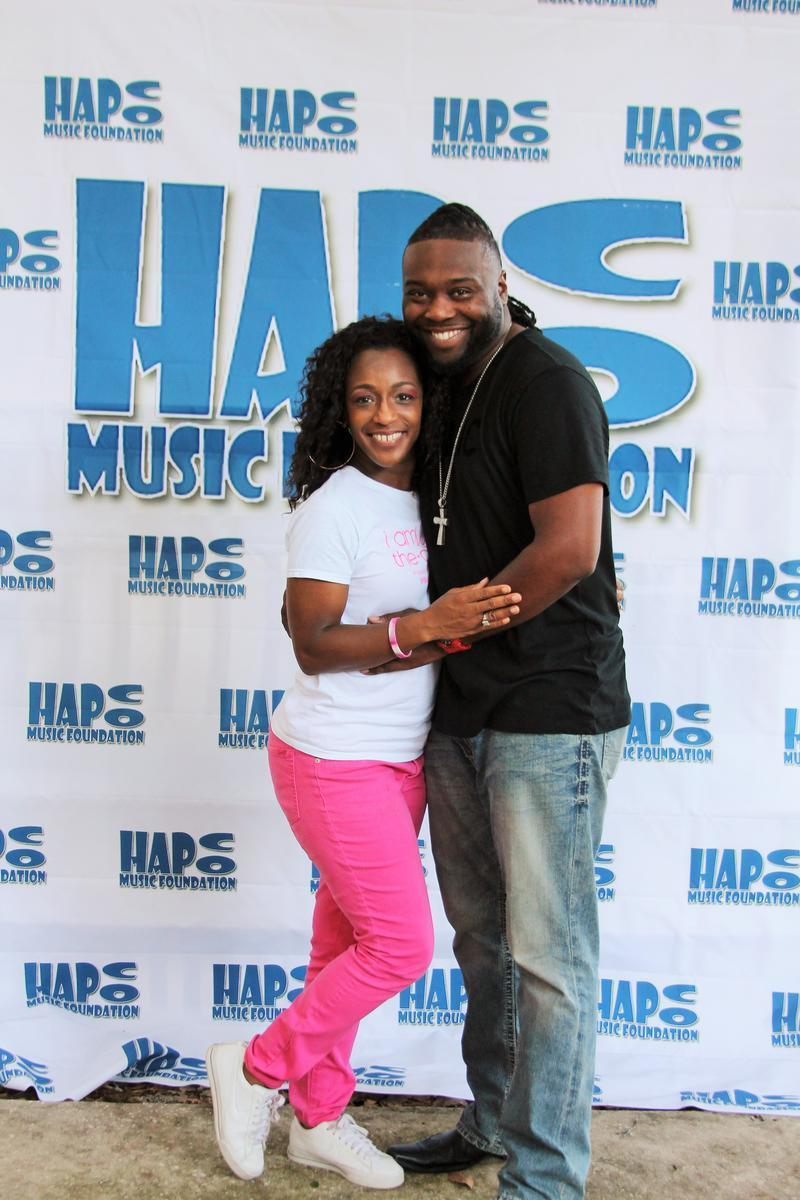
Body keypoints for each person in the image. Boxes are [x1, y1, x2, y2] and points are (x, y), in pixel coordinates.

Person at [205, 316, 521, 1189]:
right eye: (365, 399)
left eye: (405, 396)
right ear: (340, 411)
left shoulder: (436, 497)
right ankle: (256, 1068)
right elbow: (312, 642)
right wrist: (419, 627)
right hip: (331, 757)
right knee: (399, 946)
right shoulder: (334, 506)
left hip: (401, 758)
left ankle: (318, 1118)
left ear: (430, 403)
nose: (387, 415)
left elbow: (444, 624)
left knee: (340, 945)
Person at [377, 205, 631, 1200]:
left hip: (550, 709)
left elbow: (568, 551)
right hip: (461, 710)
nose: (436, 309)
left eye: (457, 290)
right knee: (483, 943)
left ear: (498, 287)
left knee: (547, 959)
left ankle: (545, 1177)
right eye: (418, 293)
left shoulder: (547, 382)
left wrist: (447, 631)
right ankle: (491, 1119)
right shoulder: (437, 386)